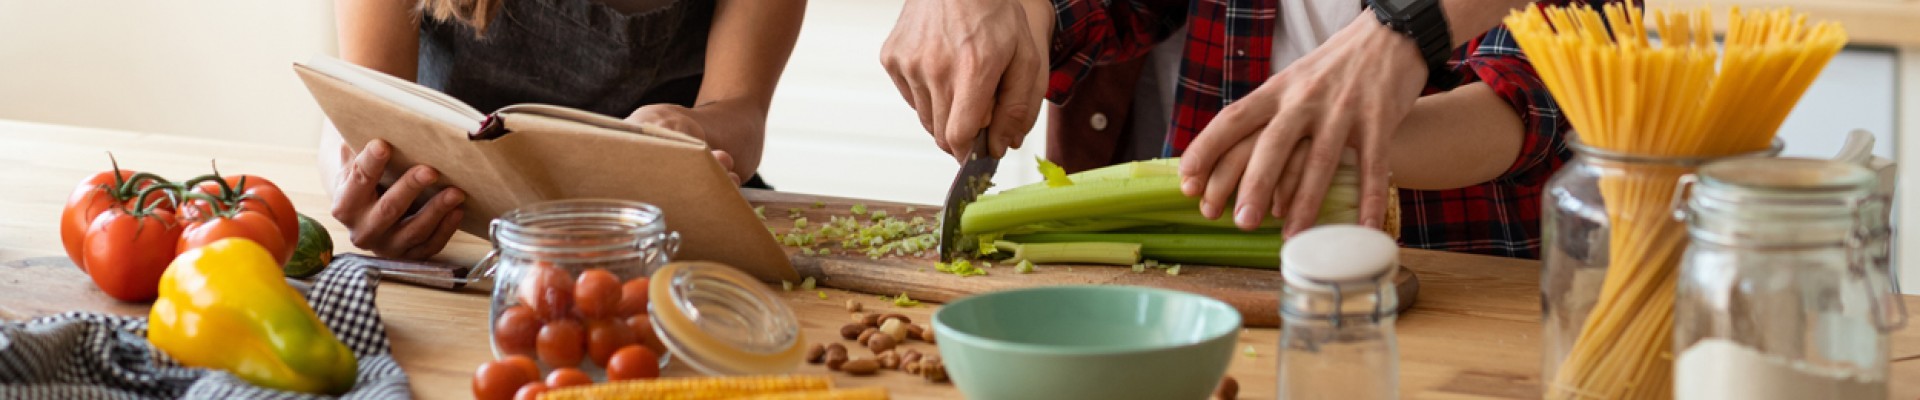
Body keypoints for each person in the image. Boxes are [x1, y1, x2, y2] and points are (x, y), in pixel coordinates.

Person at [883, 0, 1626, 258]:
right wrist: (1021, 15)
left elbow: (1527, 102)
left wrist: (1323, 139)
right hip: (1210, 285)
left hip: (1449, 272)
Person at [321, 0, 804, 260]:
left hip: (657, 236)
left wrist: (693, 126)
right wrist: (360, 192)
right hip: (459, 233)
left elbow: (743, 112)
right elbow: (358, 105)